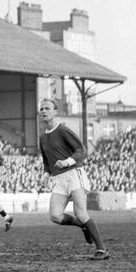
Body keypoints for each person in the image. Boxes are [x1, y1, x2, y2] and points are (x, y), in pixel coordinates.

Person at [38, 98, 108, 259]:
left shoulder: (62, 130)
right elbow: (46, 161)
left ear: (55, 112)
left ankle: (102, 249)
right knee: (55, 216)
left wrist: (68, 161)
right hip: (58, 179)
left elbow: (81, 150)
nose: (43, 111)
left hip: (73, 174)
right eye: (41, 109)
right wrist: (46, 174)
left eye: (47, 108)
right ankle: (83, 227)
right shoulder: (42, 137)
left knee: (81, 213)